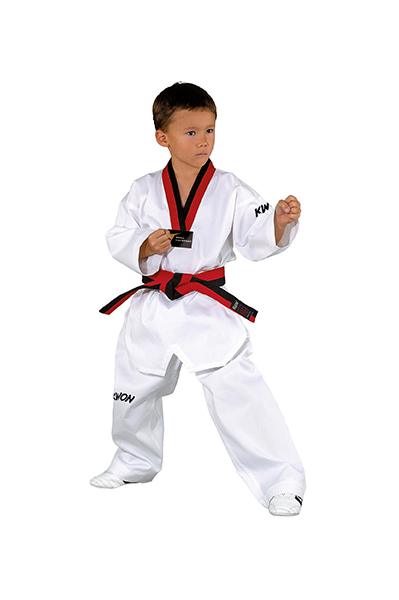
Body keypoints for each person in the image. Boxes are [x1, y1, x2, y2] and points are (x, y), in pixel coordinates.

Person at [90, 82, 306, 517]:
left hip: (205, 303)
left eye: (209, 130)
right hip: (154, 303)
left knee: (238, 387)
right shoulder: (143, 189)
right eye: (191, 132)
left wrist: (279, 222)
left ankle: (281, 481)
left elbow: (253, 233)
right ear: (163, 137)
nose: (203, 140)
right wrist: (144, 246)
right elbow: (118, 235)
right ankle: (134, 460)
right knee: (133, 385)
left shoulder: (229, 187)